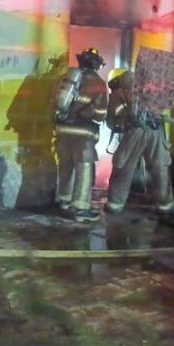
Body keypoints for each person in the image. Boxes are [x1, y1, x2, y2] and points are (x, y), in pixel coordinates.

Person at [104, 69, 174, 215]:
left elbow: (111, 121)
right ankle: (165, 206)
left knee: (124, 166)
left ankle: (115, 205)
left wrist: (123, 122)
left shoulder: (118, 93)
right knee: (160, 167)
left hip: (134, 133)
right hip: (155, 132)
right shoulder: (150, 89)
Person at [54, 48, 108, 222]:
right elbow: (100, 114)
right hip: (83, 134)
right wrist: (89, 113)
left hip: (62, 130)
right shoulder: (98, 83)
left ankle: (64, 201)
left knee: (66, 165)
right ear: (96, 65)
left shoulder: (66, 78)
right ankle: (81, 208)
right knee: (84, 168)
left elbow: (55, 104)